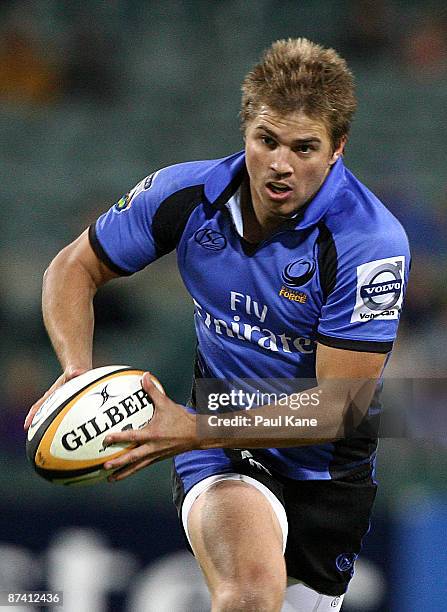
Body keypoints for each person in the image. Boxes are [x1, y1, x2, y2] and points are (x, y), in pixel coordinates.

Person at [25, 38, 410, 611]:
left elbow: (339, 408)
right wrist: (77, 372)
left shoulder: (369, 244)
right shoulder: (185, 195)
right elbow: (73, 267)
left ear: (337, 148)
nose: (281, 164)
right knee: (250, 595)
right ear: (246, 133)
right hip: (220, 446)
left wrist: (194, 426)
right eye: (267, 141)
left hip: (323, 470)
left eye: (304, 147)